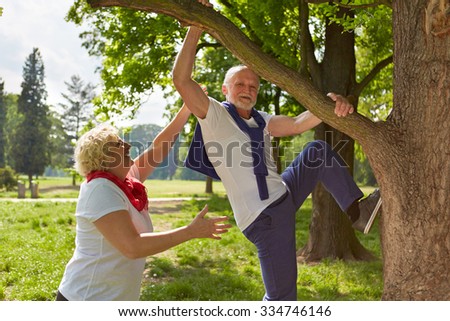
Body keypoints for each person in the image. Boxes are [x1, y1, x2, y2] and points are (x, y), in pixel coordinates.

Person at [172, 16, 382, 300]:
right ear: (225, 89)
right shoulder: (214, 114)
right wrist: (196, 26)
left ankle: (358, 213)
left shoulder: (262, 119)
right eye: (240, 84)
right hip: (264, 216)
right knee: (282, 299)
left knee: (316, 151)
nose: (247, 89)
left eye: (253, 86)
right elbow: (181, 80)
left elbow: (296, 123)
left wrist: (331, 104)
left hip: (282, 193)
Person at [56, 104, 231, 301]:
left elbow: (159, 147)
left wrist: (187, 108)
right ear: (102, 157)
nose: (128, 146)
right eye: (118, 144)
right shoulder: (99, 189)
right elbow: (133, 247)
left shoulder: (126, 180)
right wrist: (190, 231)